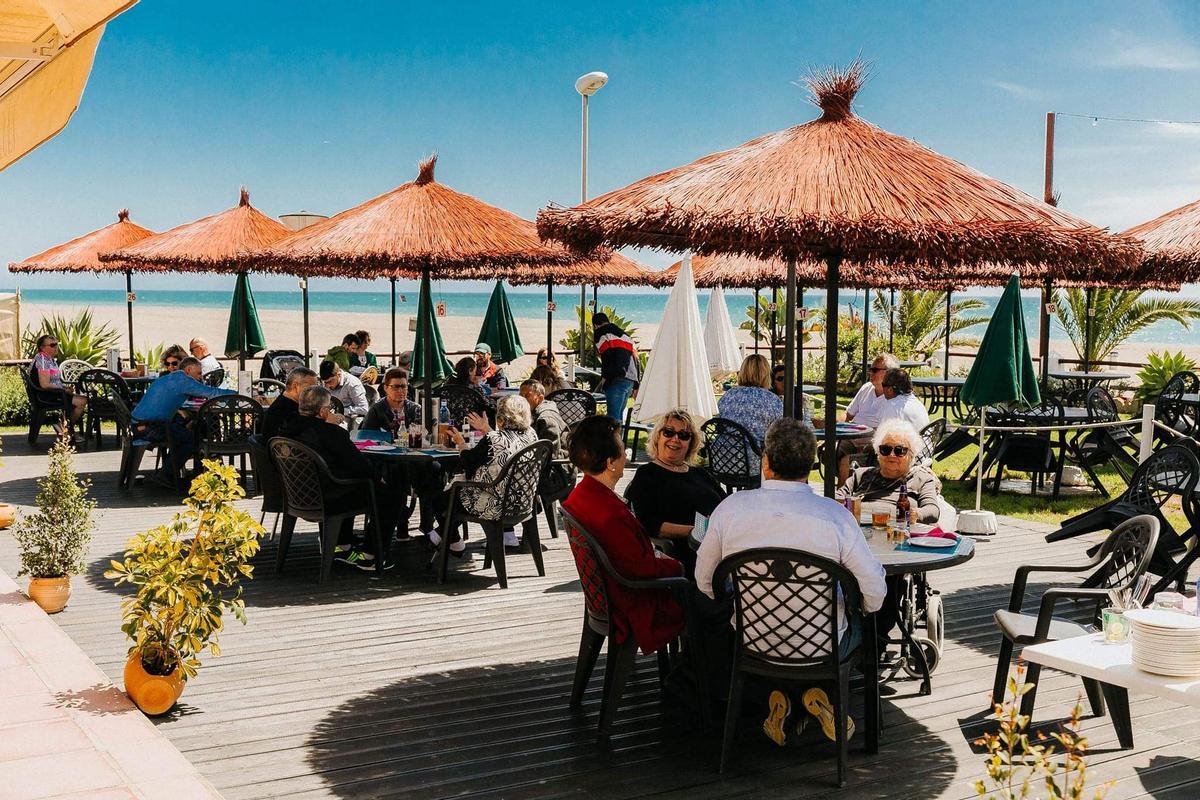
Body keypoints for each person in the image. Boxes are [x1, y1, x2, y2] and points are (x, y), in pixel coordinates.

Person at [695, 418, 886, 746]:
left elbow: (705, 582)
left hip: (752, 641)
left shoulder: (730, 510)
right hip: (820, 646)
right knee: (862, 622)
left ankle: (785, 699)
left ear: (765, 461)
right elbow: (875, 596)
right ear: (812, 464)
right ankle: (816, 700)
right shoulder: (835, 517)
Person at [561, 415, 685, 656]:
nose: (627, 455)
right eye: (623, 449)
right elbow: (638, 568)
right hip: (636, 604)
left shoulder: (584, 494)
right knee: (714, 606)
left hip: (611, 596)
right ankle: (697, 682)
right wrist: (678, 567)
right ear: (610, 463)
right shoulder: (609, 512)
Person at [280, 385, 396, 570]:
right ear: (324, 411)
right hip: (330, 496)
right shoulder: (331, 433)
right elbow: (358, 464)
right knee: (390, 494)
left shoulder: (286, 427)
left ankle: (342, 545)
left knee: (355, 480)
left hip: (297, 494)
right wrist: (378, 478)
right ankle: (372, 555)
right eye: (329, 408)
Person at [429, 394, 538, 553]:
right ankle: (442, 535)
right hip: (523, 502)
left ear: (501, 418)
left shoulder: (493, 439)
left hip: (494, 505)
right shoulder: (531, 435)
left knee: (440, 500)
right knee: (453, 498)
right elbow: (504, 446)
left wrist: (460, 443)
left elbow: (468, 463)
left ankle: (454, 541)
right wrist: (486, 429)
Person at [625, 409, 726, 577]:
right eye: (669, 432)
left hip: (721, 543)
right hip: (685, 551)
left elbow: (726, 504)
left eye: (684, 435)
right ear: (658, 436)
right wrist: (696, 531)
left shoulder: (700, 473)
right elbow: (649, 524)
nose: (675, 439)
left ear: (691, 443)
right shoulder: (647, 474)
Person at [131, 356, 234, 474]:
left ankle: (169, 473)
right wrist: (242, 394)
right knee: (191, 439)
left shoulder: (169, 378)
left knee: (186, 431)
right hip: (148, 428)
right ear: (189, 370)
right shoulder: (184, 381)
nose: (200, 377)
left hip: (139, 424)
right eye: (199, 373)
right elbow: (213, 393)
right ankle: (165, 475)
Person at [836, 418, 942, 523]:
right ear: (878, 452)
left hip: (898, 532)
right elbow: (837, 498)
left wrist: (916, 514)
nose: (891, 455)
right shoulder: (861, 475)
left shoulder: (921, 478)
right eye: (885, 450)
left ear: (911, 454)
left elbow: (932, 510)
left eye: (899, 450)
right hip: (858, 530)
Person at [835, 352, 900, 485]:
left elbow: (888, 431)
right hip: (852, 437)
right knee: (828, 450)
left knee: (845, 461)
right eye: (870, 369)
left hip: (873, 444)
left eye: (875, 370)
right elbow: (848, 414)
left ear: (888, 373)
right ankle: (851, 487)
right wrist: (835, 426)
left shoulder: (894, 398)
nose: (870, 372)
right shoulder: (866, 388)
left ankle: (843, 498)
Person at [718, 354, 783, 446]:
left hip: (721, 455)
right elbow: (778, 433)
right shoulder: (772, 400)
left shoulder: (727, 396)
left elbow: (718, 425)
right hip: (754, 457)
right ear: (766, 374)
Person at [29, 334, 87, 438]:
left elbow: (54, 381)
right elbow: (45, 384)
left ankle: (64, 427)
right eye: (52, 345)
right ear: (42, 347)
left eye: (57, 344)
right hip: (46, 396)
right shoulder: (42, 360)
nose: (56, 347)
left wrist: (65, 388)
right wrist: (63, 389)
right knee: (82, 401)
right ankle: (64, 429)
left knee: (81, 399)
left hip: (54, 393)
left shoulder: (49, 359)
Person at [592, 311, 640, 421]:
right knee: (618, 416)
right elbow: (636, 359)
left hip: (616, 377)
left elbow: (606, 356)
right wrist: (637, 384)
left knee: (612, 418)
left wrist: (604, 378)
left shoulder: (600, 333)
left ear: (595, 325)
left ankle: (613, 438)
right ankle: (619, 438)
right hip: (630, 378)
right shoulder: (625, 335)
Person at [263, 366, 318, 439]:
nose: (314, 392)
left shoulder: (288, 404)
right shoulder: (284, 410)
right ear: (295, 386)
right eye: (310, 388)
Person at [363, 368, 421, 434]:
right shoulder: (376, 410)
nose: (400, 390)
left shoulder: (415, 409)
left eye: (403, 386)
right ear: (385, 388)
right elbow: (366, 436)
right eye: (395, 387)